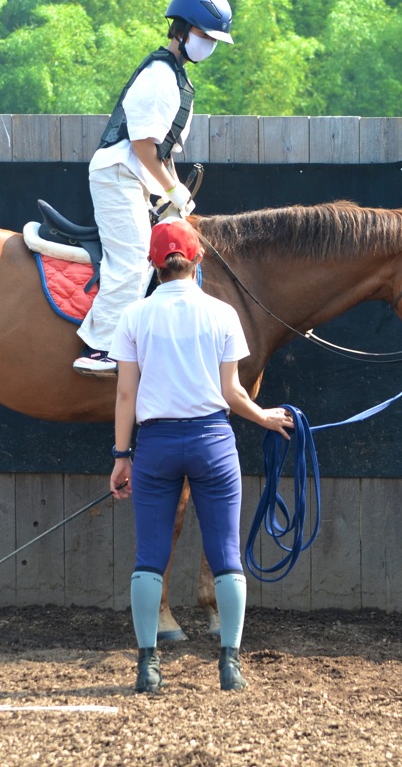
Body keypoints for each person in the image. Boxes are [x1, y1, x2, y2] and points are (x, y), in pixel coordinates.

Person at [108, 219, 294, 693]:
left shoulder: (134, 316)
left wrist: (120, 456)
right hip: (213, 443)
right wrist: (267, 418)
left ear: (154, 263)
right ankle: (229, 665)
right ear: (199, 260)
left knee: (149, 557)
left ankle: (148, 666)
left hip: (155, 446)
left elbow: (125, 396)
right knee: (226, 555)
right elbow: (232, 393)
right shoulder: (223, 314)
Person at [73, 0, 234, 376]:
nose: (208, 46)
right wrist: (171, 189)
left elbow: (163, 154)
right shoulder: (159, 76)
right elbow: (144, 148)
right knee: (131, 259)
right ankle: (100, 349)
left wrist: (178, 199)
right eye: (203, 36)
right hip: (117, 176)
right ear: (180, 31)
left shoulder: (181, 81)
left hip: (141, 179)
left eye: (213, 40)